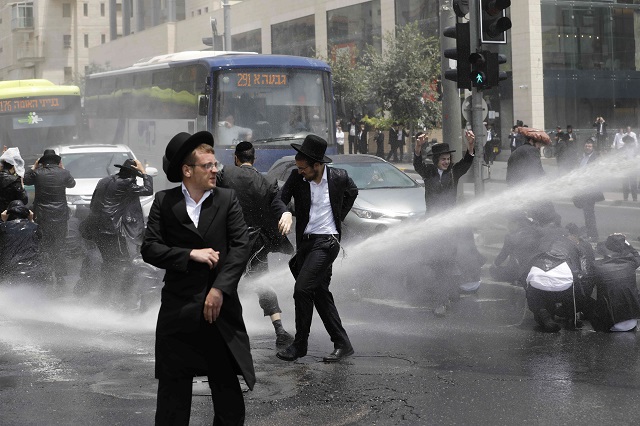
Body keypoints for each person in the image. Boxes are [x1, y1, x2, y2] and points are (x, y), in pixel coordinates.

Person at [141, 131, 254, 425]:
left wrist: (219, 290)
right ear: (187, 170)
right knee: (172, 398)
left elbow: (241, 248)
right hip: (178, 311)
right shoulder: (164, 202)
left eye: (215, 164)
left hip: (219, 310)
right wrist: (190, 253)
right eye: (208, 165)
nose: (215, 170)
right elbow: (150, 248)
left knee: (227, 395)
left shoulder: (227, 199)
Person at [275, 134, 358, 363]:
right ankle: (342, 343)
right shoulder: (296, 177)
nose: (300, 171)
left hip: (327, 242)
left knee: (302, 289)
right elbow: (280, 199)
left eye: (304, 168)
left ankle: (300, 345)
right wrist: (285, 212)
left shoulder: (339, 177)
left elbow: (353, 192)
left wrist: (337, 217)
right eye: (298, 167)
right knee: (319, 293)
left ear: (317, 165)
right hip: (307, 244)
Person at [216, 141, 296, 348]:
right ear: (254, 159)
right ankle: (279, 330)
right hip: (257, 243)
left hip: (232, 242)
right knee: (262, 283)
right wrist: (287, 213)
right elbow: (279, 205)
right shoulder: (268, 181)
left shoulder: (226, 174)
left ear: (236, 158)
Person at [413, 130, 482, 315]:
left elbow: (467, 162)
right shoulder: (428, 173)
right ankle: (442, 297)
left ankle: (443, 298)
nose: (446, 162)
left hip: (449, 227)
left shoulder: (453, 173)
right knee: (437, 263)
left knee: (447, 262)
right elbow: (417, 163)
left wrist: (470, 145)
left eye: (447, 159)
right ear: (436, 160)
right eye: (443, 159)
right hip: (432, 226)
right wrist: (418, 147)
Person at [90, 158, 153, 299]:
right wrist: (143, 173)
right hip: (113, 228)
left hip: (98, 227)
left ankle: (105, 294)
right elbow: (149, 190)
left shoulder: (104, 180)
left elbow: (94, 203)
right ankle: (120, 296)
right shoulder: (127, 183)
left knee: (108, 261)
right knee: (122, 262)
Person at [23, 149, 76, 286]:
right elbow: (72, 184)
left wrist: (33, 167)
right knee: (59, 245)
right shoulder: (64, 173)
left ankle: (46, 274)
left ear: (42, 162)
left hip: (42, 215)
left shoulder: (37, 173)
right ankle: (59, 277)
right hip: (60, 215)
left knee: (44, 245)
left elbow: (26, 180)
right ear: (58, 162)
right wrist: (63, 169)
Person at [587, 234, 640, 332]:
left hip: (610, 324)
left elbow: (586, 289)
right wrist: (625, 242)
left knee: (586, 297)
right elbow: (636, 255)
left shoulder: (596, 266)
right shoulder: (631, 263)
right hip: (632, 321)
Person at [0, 200, 48, 283]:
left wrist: (2, 220)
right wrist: (31, 220)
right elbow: (41, 239)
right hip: (34, 272)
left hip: (11, 274)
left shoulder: (3, 228)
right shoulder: (35, 228)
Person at [571, 140, 604, 241]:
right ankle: (590, 233)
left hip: (591, 190)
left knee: (589, 212)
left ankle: (593, 235)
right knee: (586, 212)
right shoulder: (582, 157)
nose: (587, 148)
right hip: (582, 188)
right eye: (586, 146)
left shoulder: (596, 157)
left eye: (589, 146)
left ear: (592, 147)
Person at [0, 148, 28, 213]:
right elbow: (24, 200)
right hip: (9, 214)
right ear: (13, 167)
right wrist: (22, 185)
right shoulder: (15, 180)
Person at [621, 133, 638, 201]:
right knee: (625, 184)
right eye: (626, 141)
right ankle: (625, 198)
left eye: (629, 141)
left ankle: (635, 198)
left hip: (633, 169)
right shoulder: (622, 149)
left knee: (633, 183)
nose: (627, 142)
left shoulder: (635, 150)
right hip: (624, 169)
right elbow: (619, 158)